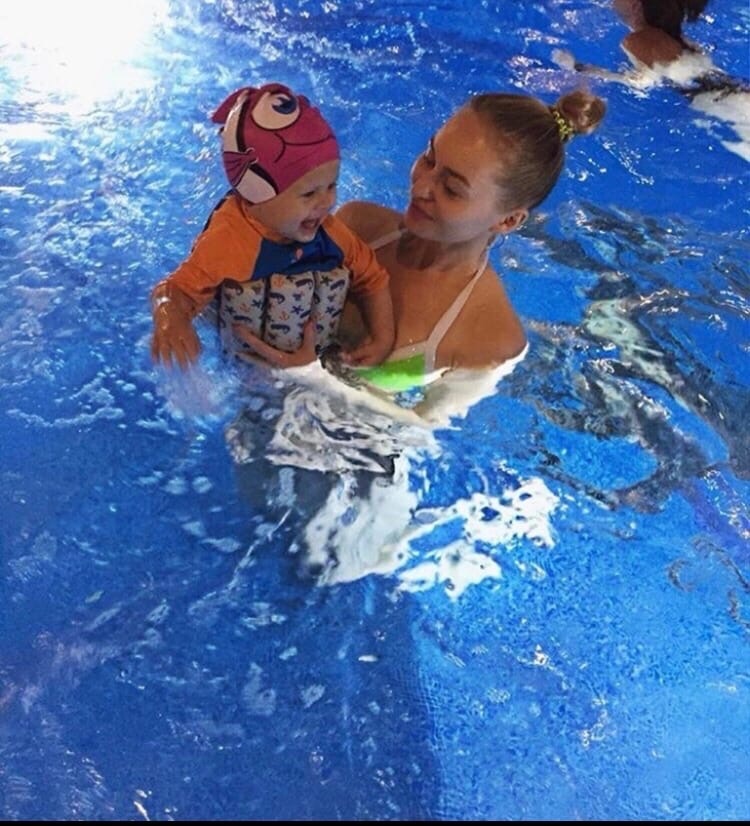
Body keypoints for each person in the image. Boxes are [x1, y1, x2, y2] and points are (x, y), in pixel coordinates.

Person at [243, 88, 606, 424]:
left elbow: (424, 430)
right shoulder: (359, 226)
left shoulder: (492, 338)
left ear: (508, 220)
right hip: (261, 400)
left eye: (451, 189)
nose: (421, 187)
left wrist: (312, 377)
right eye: (429, 158)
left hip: (350, 450)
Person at [150, 82, 395, 371]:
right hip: (247, 360)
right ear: (256, 194)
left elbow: (373, 278)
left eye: (332, 186)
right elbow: (175, 289)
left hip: (311, 356)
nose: (327, 202)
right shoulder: (228, 243)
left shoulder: (330, 234)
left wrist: (382, 339)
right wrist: (170, 317)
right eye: (309, 193)